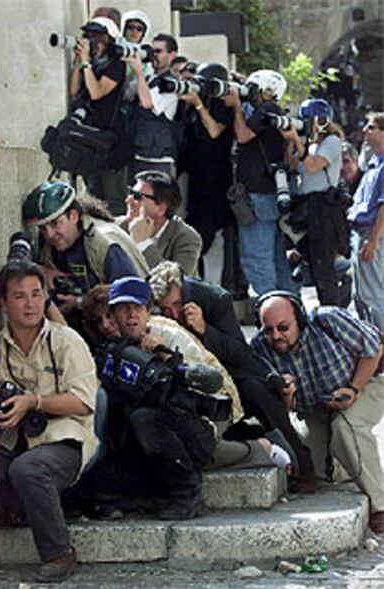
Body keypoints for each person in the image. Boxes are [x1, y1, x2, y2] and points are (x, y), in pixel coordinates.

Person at [0, 260, 98, 582]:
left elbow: (85, 402)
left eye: (36, 293)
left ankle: (59, 552)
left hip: (63, 439)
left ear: (45, 296)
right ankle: (25, 508)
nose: (30, 303)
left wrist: (36, 402)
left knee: (28, 469)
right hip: (12, 440)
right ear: (3, 303)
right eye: (19, 296)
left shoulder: (66, 341)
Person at [147, 261, 307, 481]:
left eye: (177, 304)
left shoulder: (215, 298)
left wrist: (205, 330)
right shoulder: (153, 315)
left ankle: (301, 463)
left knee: (258, 392)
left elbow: (239, 352)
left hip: (230, 377)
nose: (173, 313)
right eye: (166, 309)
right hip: (185, 383)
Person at [252, 290, 384, 533]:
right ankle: (348, 460)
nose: (276, 336)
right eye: (268, 330)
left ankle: (379, 504)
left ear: (299, 319)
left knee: (346, 427)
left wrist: (354, 389)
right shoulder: (260, 347)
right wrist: (286, 393)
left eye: (283, 327)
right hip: (316, 409)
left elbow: (373, 350)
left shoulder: (328, 320)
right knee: (317, 469)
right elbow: (282, 410)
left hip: (365, 384)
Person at [22, 180, 149, 327]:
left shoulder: (106, 245)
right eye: (43, 228)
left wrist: (79, 303)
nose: (50, 234)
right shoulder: (47, 244)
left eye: (55, 224)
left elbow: (131, 299)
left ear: (74, 216)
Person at [226, 69, 296, 295]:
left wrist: (237, 106)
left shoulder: (267, 110)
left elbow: (243, 135)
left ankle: (269, 307)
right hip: (268, 193)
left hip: (257, 194)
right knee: (275, 258)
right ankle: (291, 308)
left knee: (257, 258)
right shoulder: (274, 111)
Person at [283, 98, 348, 305]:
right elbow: (292, 165)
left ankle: (332, 313)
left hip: (324, 207)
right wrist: (292, 139)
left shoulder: (332, 141)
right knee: (309, 263)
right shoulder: (309, 143)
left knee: (323, 268)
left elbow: (313, 165)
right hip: (307, 206)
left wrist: (297, 140)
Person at [180, 63, 237, 280]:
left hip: (216, 181)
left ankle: (212, 287)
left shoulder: (222, 105)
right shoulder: (196, 107)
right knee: (196, 235)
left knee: (209, 238)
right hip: (197, 180)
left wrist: (198, 105)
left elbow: (214, 131)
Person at [69, 16, 126, 203]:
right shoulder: (89, 65)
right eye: (89, 36)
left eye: (98, 38)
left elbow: (96, 92)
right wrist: (79, 61)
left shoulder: (117, 65)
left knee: (114, 201)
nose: (93, 43)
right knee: (94, 200)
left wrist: (86, 62)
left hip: (111, 143)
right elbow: (74, 91)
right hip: (91, 141)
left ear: (109, 41)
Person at [117, 170, 202, 275]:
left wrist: (143, 244)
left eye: (137, 196)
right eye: (130, 192)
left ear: (161, 208)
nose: (128, 200)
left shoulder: (186, 238)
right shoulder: (117, 226)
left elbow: (176, 284)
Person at [347, 112, 384, 332]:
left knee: (372, 295)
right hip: (361, 232)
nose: (365, 131)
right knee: (361, 294)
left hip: (372, 233)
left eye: (371, 127)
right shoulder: (373, 162)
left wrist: (373, 239)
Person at [125, 33, 179, 179]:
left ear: (172, 55)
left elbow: (147, 103)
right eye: (152, 51)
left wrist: (138, 72)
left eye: (159, 51)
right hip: (138, 155)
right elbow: (125, 95)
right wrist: (133, 67)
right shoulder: (149, 79)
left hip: (159, 160)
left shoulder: (170, 85)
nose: (154, 55)